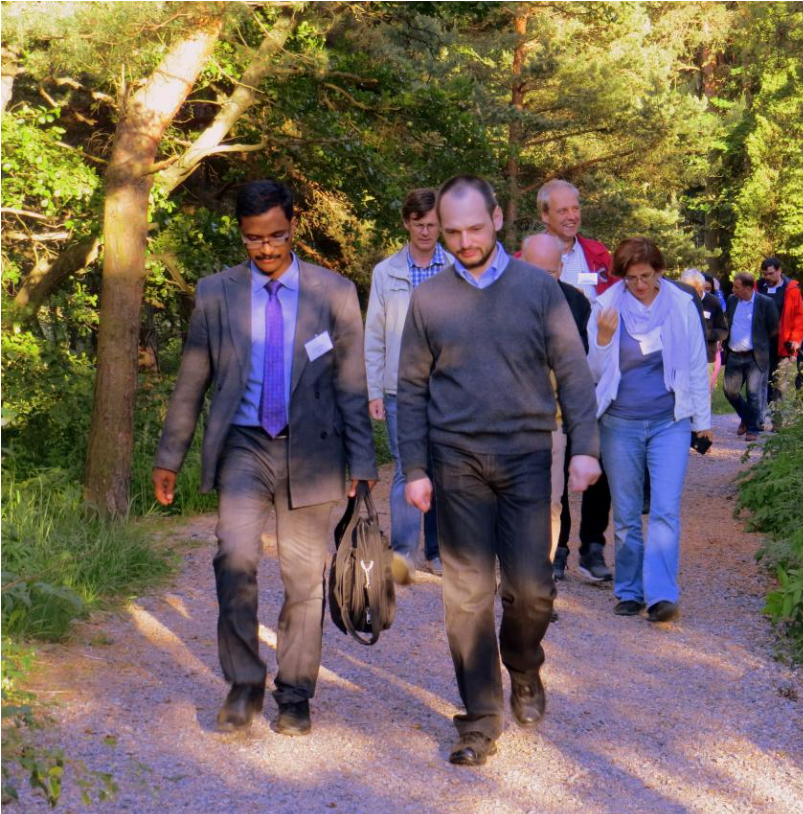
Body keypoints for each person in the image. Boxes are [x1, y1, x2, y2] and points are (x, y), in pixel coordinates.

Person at [152, 180, 377, 737]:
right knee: (234, 559)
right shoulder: (216, 293)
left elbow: (352, 384)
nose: (267, 249)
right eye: (255, 239)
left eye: (276, 235)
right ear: (242, 236)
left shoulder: (335, 292)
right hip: (245, 446)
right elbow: (192, 381)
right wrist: (169, 456)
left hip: (315, 452)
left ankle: (295, 694)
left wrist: (362, 464)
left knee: (304, 577)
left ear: (294, 224)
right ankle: (243, 684)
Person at [397, 176, 601, 766]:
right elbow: (410, 389)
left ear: (499, 218)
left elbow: (573, 369)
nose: (464, 241)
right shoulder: (428, 299)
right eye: (453, 232)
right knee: (467, 595)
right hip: (456, 459)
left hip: (526, 455)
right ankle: (480, 719)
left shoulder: (539, 290)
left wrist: (584, 445)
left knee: (532, 590)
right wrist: (415, 467)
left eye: (475, 229)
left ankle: (525, 664)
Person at [587, 238, 712, 624]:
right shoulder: (606, 306)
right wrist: (604, 340)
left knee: (664, 511)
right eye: (631, 279)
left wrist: (702, 421)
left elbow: (695, 363)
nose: (639, 285)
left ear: (659, 271)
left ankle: (661, 595)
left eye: (645, 276)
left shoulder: (680, 304)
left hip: (668, 421)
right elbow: (592, 371)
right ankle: (629, 589)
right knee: (625, 513)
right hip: (619, 422)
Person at [536, 179, 616, 584]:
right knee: (555, 468)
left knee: (594, 458)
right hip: (546, 385)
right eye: (562, 210)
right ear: (545, 215)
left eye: (575, 208)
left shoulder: (599, 256)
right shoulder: (525, 258)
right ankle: (557, 547)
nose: (572, 215)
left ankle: (593, 548)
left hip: (594, 371)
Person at [364, 188, 447, 583]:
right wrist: (374, 390)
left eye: (432, 224)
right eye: (419, 225)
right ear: (406, 224)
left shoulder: (455, 269)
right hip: (401, 387)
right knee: (406, 469)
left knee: (446, 468)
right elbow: (374, 336)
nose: (426, 231)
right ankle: (402, 553)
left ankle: (439, 551)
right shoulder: (386, 272)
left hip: (449, 386)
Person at [520, 232, 592, 582]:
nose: (543, 279)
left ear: (560, 268)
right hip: (506, 425)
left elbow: (581, 370)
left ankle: (540, 583)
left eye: (550, 271)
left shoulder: (576, 303)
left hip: (552, 422)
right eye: (536, 269)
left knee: (550, 504)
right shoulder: (500, 302)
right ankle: (514, 575)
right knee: (512, 507)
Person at [723, 272, 780, 441]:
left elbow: (773, 328)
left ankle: (753, 429)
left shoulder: (765, 303)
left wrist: (760, 343)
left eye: (737, 287)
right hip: (734, 354)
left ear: (748, 288)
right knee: (730, 391)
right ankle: (747, 418)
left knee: (754, 394)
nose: (733, 290)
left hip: (755, 356)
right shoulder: (732, 300)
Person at [758, 257, 803, 424]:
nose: (767, 277)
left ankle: (777, 420)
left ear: (779, 271)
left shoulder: (791, 289)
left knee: (779, 382)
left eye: (770, 274)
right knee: (759, 381)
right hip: (761, 343)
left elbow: (799, 316)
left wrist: (796, 339)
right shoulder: (758, 287)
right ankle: (758, 419)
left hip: (782, 343)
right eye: (764, 274)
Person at [680, 268, 728, 389]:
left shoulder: (713, 302)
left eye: (690, 288)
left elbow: (724, 331)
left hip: (705, 359)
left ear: (700, 287)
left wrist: (706, 333)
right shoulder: (677, 301)